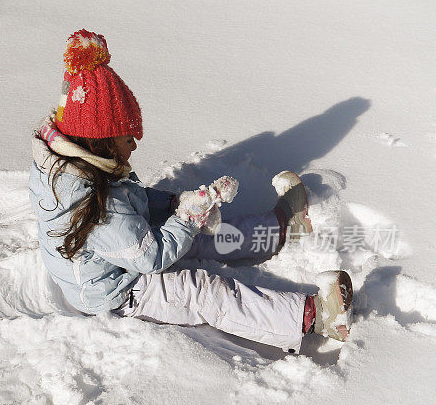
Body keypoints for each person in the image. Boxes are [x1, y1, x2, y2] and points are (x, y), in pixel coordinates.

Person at [29, 29, 353, 354]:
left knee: (200, 236)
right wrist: (185, 217)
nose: (136, 144)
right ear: (102, 142)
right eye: (128, 138)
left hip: (117, 255)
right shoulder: (94, 205)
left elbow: (131, 199)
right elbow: (151, 257)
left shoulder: (80, 164)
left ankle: (275, 230)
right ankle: (315, 317)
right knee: (200, 291)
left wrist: (173, 204)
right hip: (113, 291)